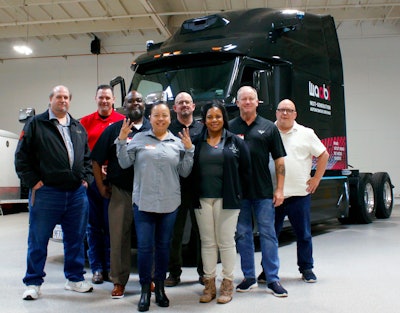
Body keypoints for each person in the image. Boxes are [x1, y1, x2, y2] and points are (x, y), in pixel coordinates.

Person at [15, 85, 93, 300]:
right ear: (50, 100)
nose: (63, 100)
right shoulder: (36, 124)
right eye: (59, 97)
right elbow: (21, 157)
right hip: (47, 193)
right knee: (38, 239)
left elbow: (87, 158)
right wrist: (33, 181)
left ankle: (75, 279)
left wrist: (86, 179)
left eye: (66, 97)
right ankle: (33, 282)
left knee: (75, 239)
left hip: (76, 193)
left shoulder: (77, 127)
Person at [116, 102, 194, 312]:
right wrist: (122, 141)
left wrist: (189, 150)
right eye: (156, 115)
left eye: (165, 115)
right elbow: (124, 163)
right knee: (144, 248)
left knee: (163, 248)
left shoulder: (177, 142)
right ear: (150, 118)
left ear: (170, 119)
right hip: (144, 204)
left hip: (169, 204)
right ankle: (144, 290)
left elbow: (185, 172)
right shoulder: (139, 139)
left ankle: (160, 288)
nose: (160, 118)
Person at [258, 99, 329, 283]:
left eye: (289, 110)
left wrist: (316, 179)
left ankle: (306, 269)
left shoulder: (306, 133)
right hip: (273, 195)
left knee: (303, 234)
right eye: (281, 110)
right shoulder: (266, 132)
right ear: (276, 113)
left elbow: (323, 154)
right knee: (270, 236)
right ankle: (267, 271)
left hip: (299, 194)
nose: (285, 113)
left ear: (295, 114)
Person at [90, 90, 151, 299]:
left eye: (139, 100)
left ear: (144, 105)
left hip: (148, 194)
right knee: (118, 239)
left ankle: (149, 278)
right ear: (123, 106)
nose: (135, 104)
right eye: (130, 101)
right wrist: (100, 186)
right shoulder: (114, 130)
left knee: (147, 239)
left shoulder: (154, 129)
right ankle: (118, 281)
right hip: (120, 192)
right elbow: (96, 160)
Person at [229, 86, 288, 297]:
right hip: (239, 194)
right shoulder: (229, 128)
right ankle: (249, 277)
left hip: (263, 192)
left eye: (251, 98)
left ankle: (272, 279)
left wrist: (279, 189)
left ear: (257, 102)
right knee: (243, 235)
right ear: (237, 103)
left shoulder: (269, 128)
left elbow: (280, 160)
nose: (247, 102)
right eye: (243, 99)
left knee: (268, 234)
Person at [192, 101, 251, 304]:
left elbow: (246, 171)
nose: (214, 120)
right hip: (202, 199)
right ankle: (209, 284)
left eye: (218, 116)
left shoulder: (235, 141)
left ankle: (227, 282)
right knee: (208, 242)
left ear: (223, 118)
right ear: (204, 120)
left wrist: (238, 193)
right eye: (210, 117)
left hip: (228, 199)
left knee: (226, 241)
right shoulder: (196, 142)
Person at [80, 84, 125, 284]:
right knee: (93, 226)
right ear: (95, 99)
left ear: (114, 100)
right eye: (101, 98)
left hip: (114, 183)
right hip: (91, 183)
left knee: (112, 227)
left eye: (108, 97)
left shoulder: (123, 122)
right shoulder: (84, 123)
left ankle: (111, 267)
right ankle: (97, 268)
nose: (104, 101)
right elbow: (81, 153)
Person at [165, 92, 204, 287]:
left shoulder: (202, 128)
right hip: (175, 188)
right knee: (175, 233)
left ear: (193, 106)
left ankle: (204, 272)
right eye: (180, 103)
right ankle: (173, 273)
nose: (184, 105)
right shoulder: (168, 129)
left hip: (198, 188)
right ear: (175, 108)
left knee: (201, 233)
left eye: (187, 102)